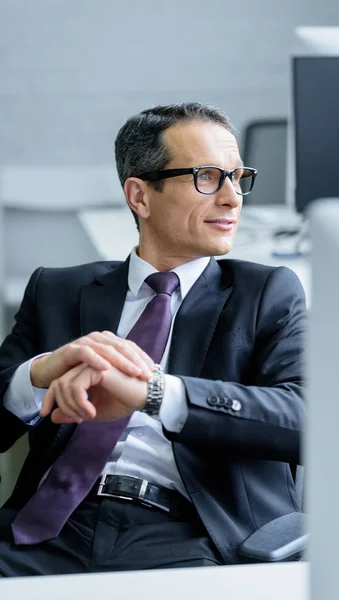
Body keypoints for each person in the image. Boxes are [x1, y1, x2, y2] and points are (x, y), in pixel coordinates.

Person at [0, 102, 306, 577]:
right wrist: (38, 374)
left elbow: (306, 420)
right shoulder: (58, 289)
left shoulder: (266, 292)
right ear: (140, 196)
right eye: (208, 176)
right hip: (46, 527)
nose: (232, 198)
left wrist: (155, 395)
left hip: (193, 533)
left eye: (237, 177)